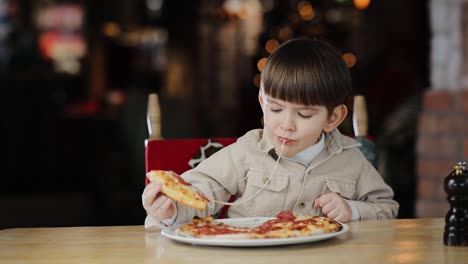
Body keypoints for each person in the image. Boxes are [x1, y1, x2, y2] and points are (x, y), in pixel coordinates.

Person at [142, 38, 399, 230]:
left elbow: (387, 209)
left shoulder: (351, 159)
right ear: (263, 102)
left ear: (332, 118)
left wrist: (352, 210)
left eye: (304, 115)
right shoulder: (246, 153)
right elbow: (199, 193)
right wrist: (171, 209)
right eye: (276, 109)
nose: (286, 124)